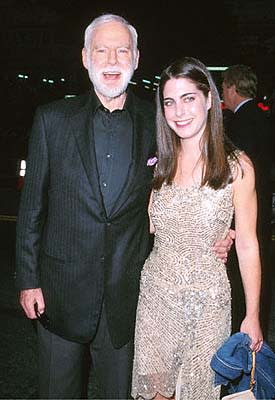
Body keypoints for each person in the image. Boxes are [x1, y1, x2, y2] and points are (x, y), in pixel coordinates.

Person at [15, 14, 233, 399]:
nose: (112, 60)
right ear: (85, 58)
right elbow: (32, 208)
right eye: (101, 50)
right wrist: (28, 280)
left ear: (136, 58)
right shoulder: (52, 120)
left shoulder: (158, 123)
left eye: (122, 50)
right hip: (59, 296)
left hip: (127, 300)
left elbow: (191, 181)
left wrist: (220, 229)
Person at [131, 57, 263, 400]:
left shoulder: (237, 168)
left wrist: (252, 315)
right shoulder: (157, 164)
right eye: (169, 102)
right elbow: (139, 226)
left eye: (189, 98)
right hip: (156, 297)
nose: (179, 111)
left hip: (207, 303)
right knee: (156, 395)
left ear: (209, 99)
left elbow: (248, 243)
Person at [222, 65, 273, 336]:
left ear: (231, 87)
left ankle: (241, 333)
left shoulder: (236, 125)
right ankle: (258, 325)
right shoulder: (266, 118)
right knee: (260, 271)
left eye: (223, 88)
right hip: (263, 211)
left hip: (239, 216)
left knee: (239, 282)